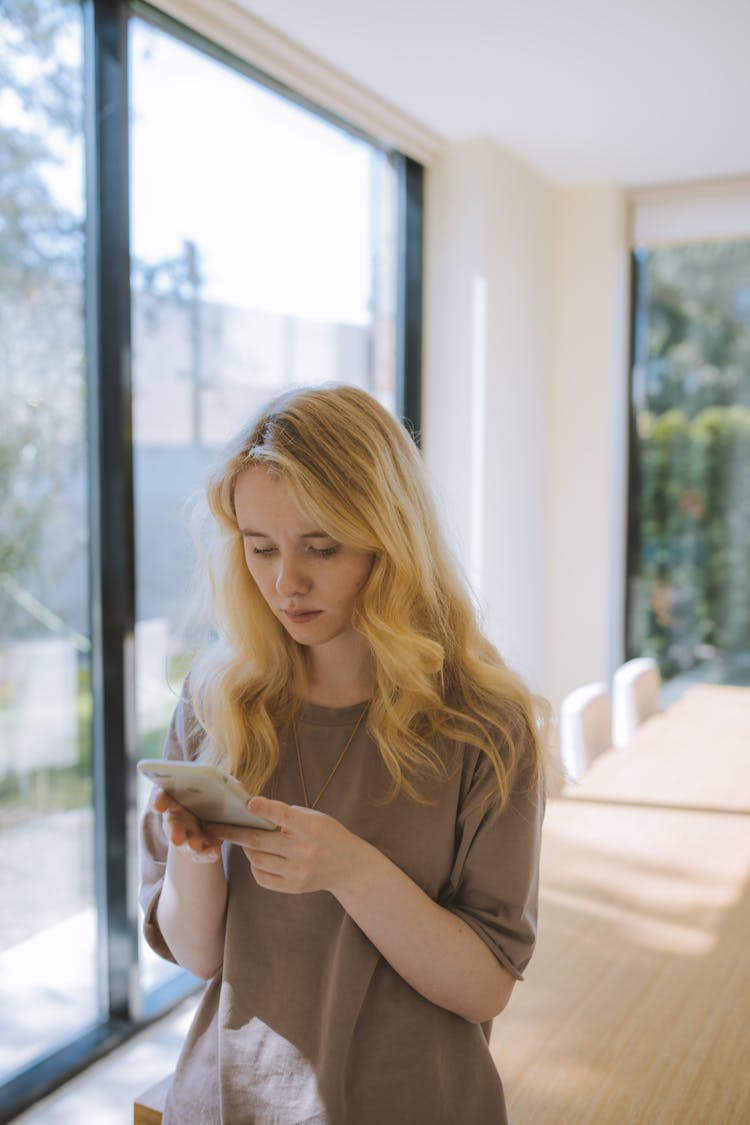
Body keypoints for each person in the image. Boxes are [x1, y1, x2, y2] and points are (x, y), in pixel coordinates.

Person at [140, 383, 547, 1125]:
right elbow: (198, 955)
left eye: (320, 547)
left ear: (389, 537)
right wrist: (196, 855)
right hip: (225, 1103)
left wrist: (352, 870)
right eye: (260, 548)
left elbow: (486, 986)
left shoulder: (484, 725)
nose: (284, 582)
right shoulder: (217, 701)